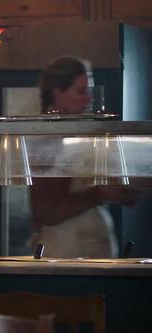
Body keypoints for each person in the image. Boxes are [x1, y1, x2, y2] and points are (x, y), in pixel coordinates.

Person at [30, 57, 140, 258]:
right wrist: (101, 193)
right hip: (65, 257)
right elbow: (48, 212)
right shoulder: (47, 139)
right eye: (81, 91)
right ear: (57, 92)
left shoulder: (77, 135)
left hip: (86, 256)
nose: (88, 98)